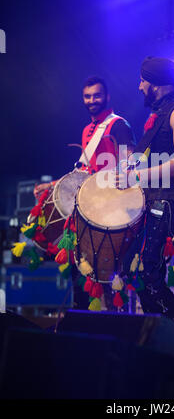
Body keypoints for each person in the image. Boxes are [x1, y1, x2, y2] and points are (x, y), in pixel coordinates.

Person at [33, 76, 136, 309]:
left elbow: (131, 160)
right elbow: (83, 170)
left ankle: (114, 328)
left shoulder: (117, 125)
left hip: (112, 208)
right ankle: (83, 321)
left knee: (107, 273)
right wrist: (51, 186)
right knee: (81, 269)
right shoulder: (88, 130)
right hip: (90, 207)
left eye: (97, 95)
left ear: (107, 97)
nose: (92, 100)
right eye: (87, 96)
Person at [117, 56, 174, 329]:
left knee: (148, 271)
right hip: (150, 200)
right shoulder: (159, 116)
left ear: (156, 85)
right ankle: (158, 331)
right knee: (133, 270)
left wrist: (137, 175)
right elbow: (148, 160)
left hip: (167, 202)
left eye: (143, 81)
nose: (139, 87)